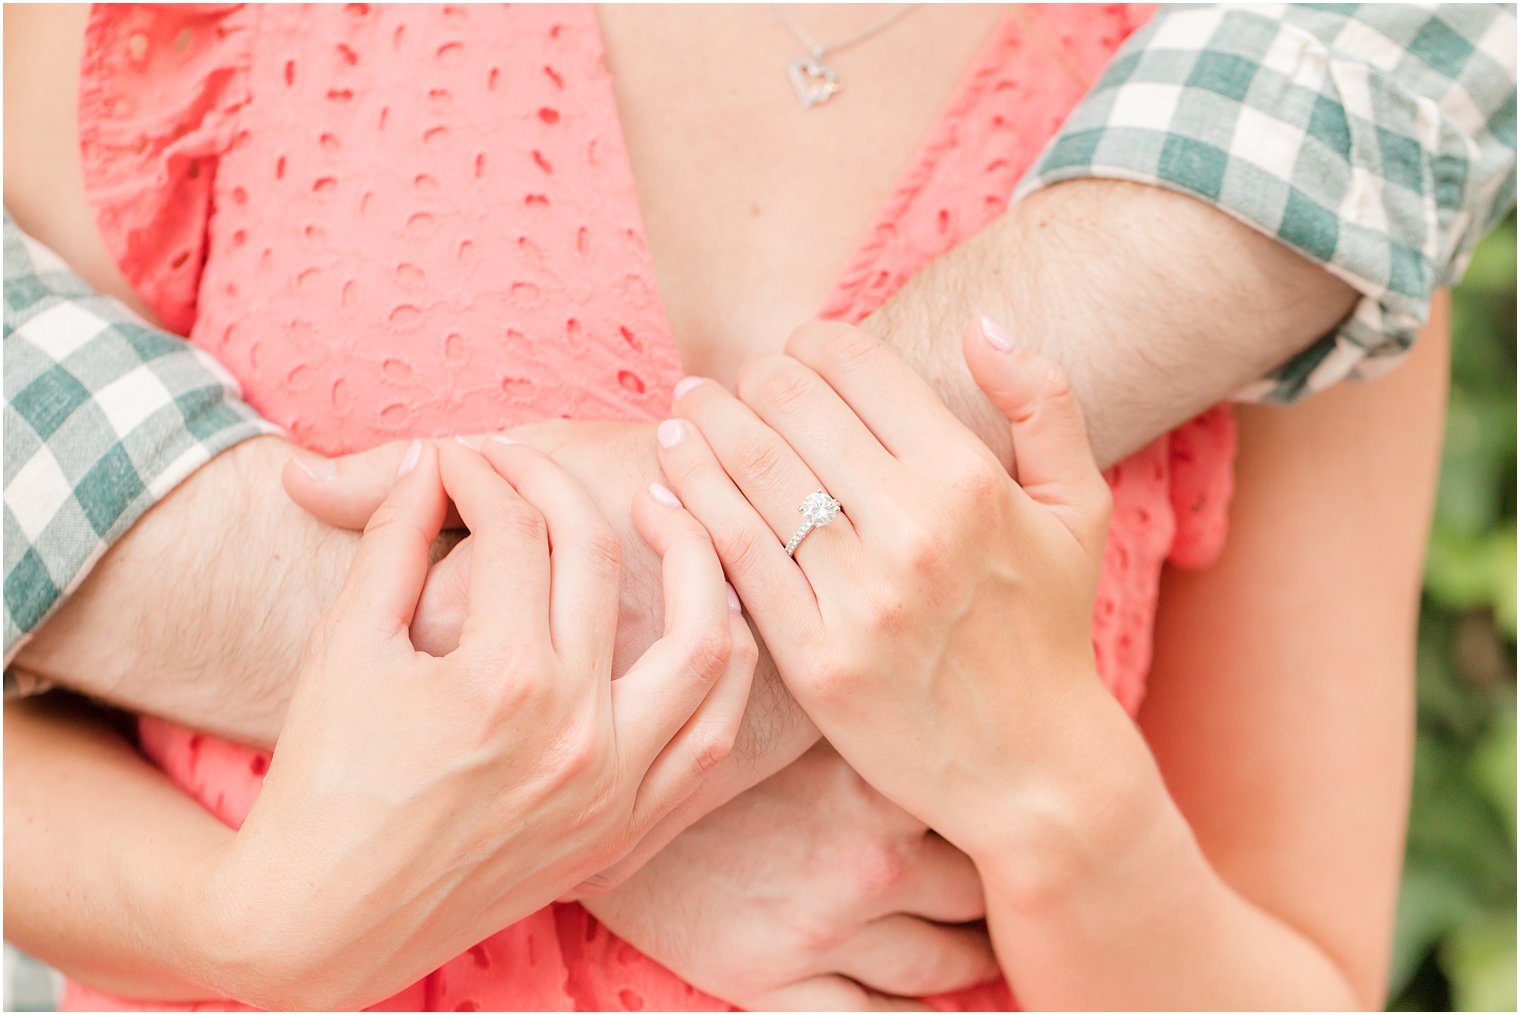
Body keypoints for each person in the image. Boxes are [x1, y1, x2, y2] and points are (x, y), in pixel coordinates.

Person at [4, 3, 1514, 1009]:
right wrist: (247, 923)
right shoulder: (182, 29)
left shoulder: (1289, 161)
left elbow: (1303, 964)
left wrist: (1056, 798)